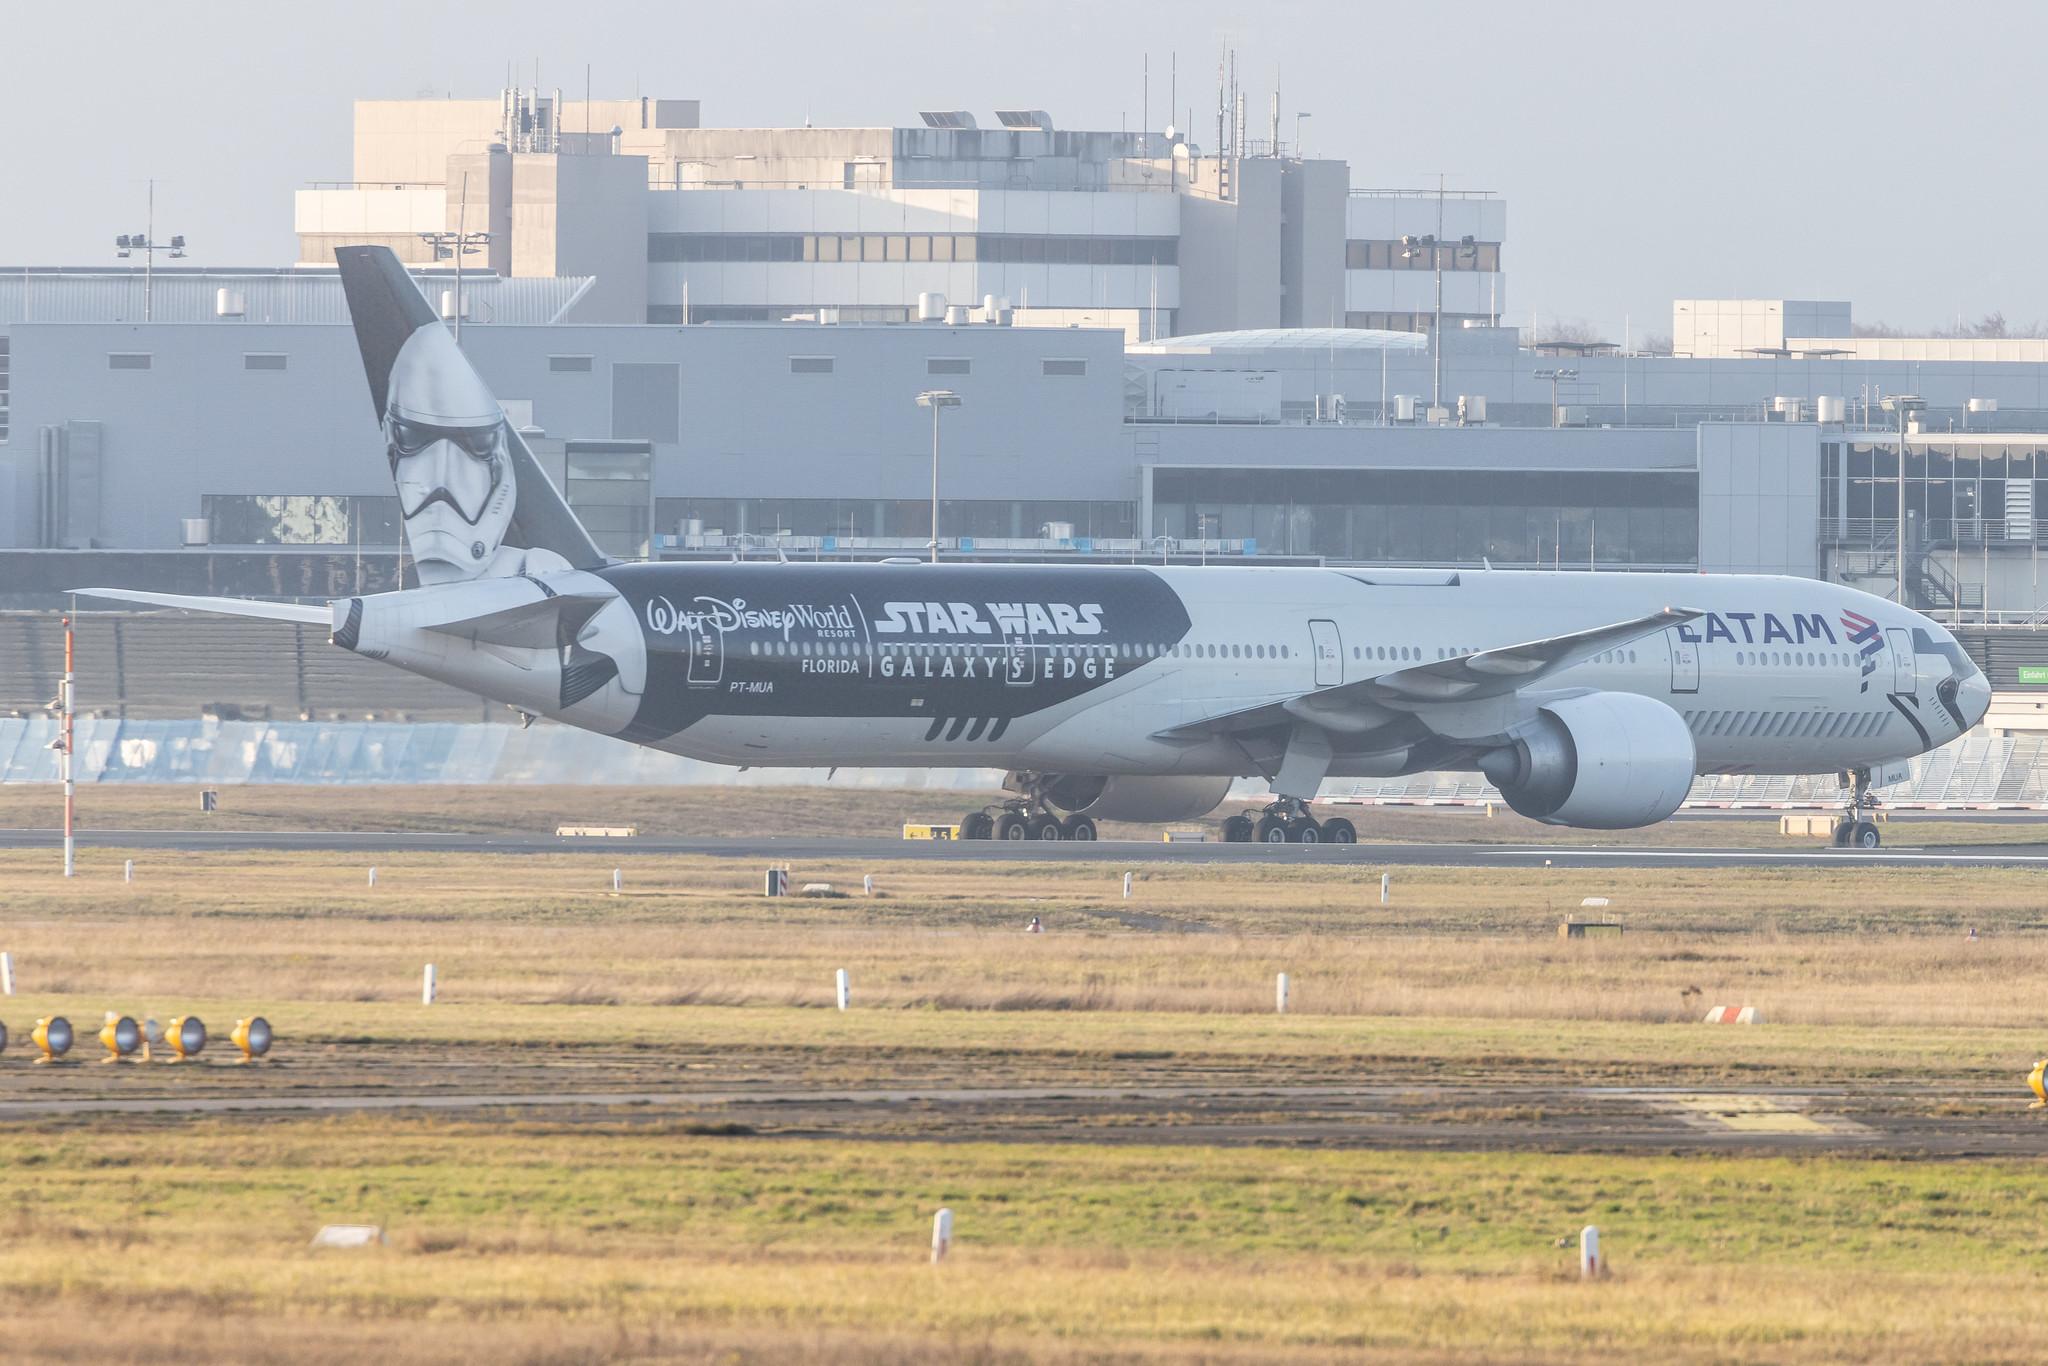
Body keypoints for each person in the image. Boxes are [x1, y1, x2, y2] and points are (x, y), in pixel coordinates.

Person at [382, 324, 569, 585]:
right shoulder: (541, 576)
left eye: (476, 442)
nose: (442, 469)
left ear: (499, 457)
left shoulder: (531, 568)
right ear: (391, 435)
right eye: (414, 437)